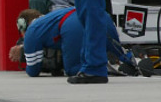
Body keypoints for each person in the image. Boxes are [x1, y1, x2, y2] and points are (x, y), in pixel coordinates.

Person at [10, 7, 141, 78]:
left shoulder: (33, 30)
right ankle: (135, 59)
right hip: (97, 14)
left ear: (23, 26)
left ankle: (101, 68)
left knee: (73, 69)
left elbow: (33, 71)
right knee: (118, 51)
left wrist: (24, 52)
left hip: (72, 25)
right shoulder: (52, 16)